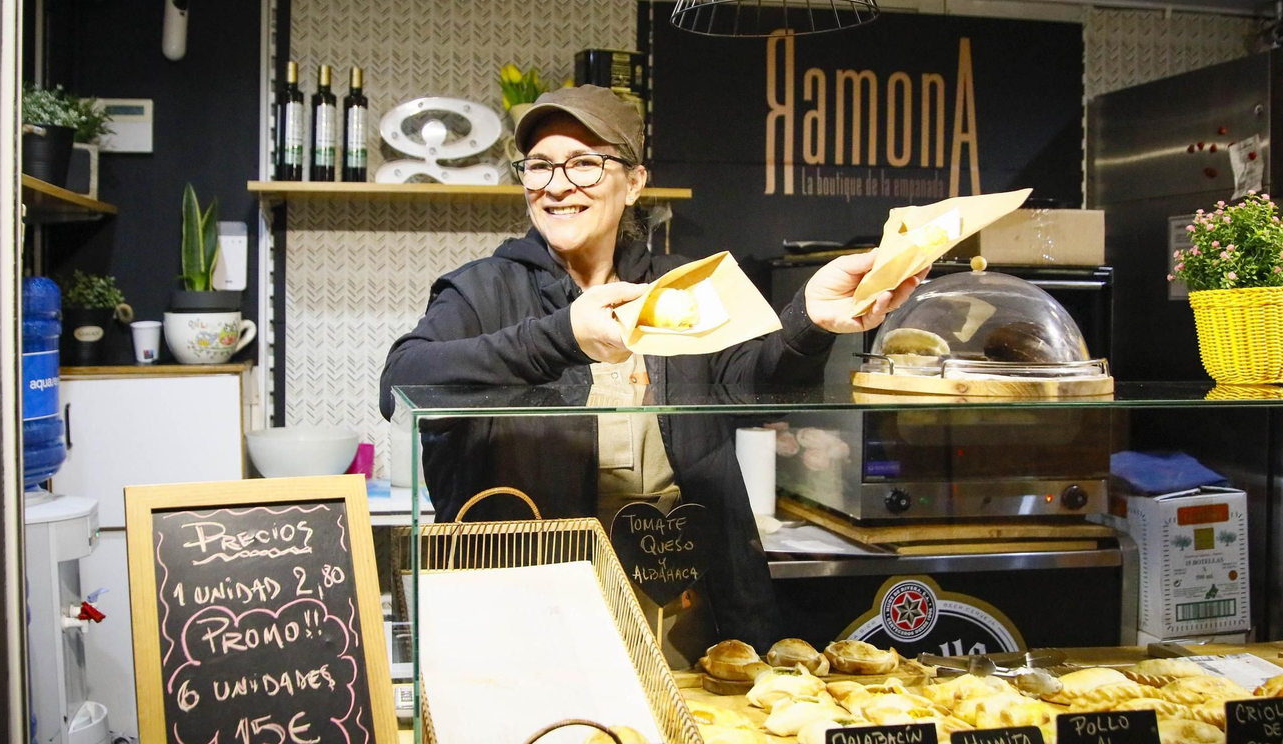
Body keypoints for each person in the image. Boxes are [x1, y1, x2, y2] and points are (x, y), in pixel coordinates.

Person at [380, 85, 920, 649]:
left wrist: (810, 316)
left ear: (634, 183)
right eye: (539, 166)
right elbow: (402, 384)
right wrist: (563, 336)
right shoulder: (481, 290)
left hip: (682, 621)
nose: (558, 184)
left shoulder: (679, 288)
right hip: (532, 625)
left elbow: (755, 380)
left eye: (586, 164)